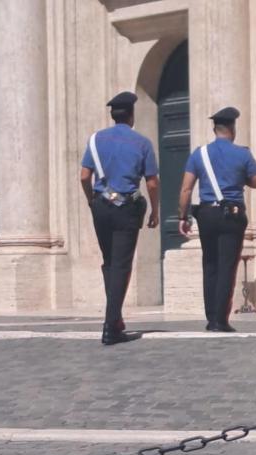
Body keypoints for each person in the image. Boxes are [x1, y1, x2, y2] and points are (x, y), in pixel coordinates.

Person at [79, 91, 160, 345]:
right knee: (122, 265)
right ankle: (111, 326)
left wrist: (91, 200)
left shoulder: (95, 140)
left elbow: (84, 176)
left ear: (113, 116)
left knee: (110, 263)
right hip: (126, 207)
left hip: (101, 206)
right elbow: (152, 182)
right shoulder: (142, 143)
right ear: (131, 115)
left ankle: (115, 319)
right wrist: (155, 210)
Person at [177, 106, 256, 332]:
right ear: (232, 128)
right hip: (232, 214)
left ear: (214, 129)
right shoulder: (242, 154)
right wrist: (240, 178)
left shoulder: (199, 154)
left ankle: (210, 318)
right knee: (227, 266)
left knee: (210, 264)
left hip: (207, 214)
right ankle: (220, 320)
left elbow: (186, 189)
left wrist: (182, 216)